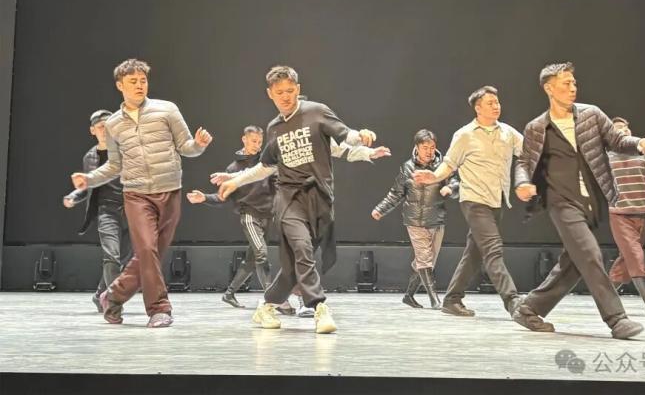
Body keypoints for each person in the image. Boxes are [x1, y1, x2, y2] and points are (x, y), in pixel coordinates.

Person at [218, 65, 378, 334]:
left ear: (298, 89)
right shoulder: (274, 128)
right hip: (288, 198)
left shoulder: (316, 111)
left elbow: (345, 135)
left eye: (290, 91)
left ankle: (266, 306)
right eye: (279, 92)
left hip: (319, 199)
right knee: (302, 248)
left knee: (295, 265)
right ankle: (319, 307)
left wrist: (361, 137)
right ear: (270, 94)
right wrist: (235, 181)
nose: (286, 96)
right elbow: (266, 167)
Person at [513, 62, 645, 339]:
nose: (573, 88)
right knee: (590, 254)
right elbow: (524, 161)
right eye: (566, 83)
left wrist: (638, 143)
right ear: (549, 88)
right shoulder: (537, 127)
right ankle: (617, 319)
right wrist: (522, 183)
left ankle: (529, 309)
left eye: (574, 83)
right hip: (560, 200)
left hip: (590, 202)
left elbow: (617, 141)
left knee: (574, 261)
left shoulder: (591, 114)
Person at [71, 59, 212, 328]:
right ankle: (159, 309)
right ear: (120, 85)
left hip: (169, 191)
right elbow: (114, 166)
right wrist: (89, 179)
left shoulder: (167, 109)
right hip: (136, 195)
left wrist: (199, 144)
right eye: (133, 81)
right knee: (147, 249)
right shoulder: (113, 124)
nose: (139, 85)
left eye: (143, 80)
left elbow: (186, 147)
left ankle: (113, 296)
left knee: (151, 253)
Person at [190, 125, 389, 312]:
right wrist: (231, 180)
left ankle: (265, 299)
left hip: (309, 206)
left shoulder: (314, 140)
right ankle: (300, 301)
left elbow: (342, 147)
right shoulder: (277, 149)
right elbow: (260, 170)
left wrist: (367, 150)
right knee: (289, 253)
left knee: (287, 258)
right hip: (283, 209)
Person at [414, 86, 523, 320]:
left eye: (497, 102)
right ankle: (513, 301)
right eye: (490, 103)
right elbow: (450, 164)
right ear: (478, 108)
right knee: (493, 248)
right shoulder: (465, 135)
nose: (496, 106)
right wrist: (433, 177)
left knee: (475, 252)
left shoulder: (508, 133)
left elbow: (529, 151)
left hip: (497, 200)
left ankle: (452, 299)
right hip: (474, 200)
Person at [372, 129, 459, 309]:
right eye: (425, 147)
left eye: (432, 147)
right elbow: (396, 193)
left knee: (427, 261)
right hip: (415, 220)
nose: (429, 151)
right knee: (424, 259)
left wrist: (451, 189)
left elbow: (457, 182)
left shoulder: (443, 166)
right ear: (417, 147)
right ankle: (435, 300)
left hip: (436, 220)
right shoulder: (407, 167)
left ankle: (408, 296)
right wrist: (381, 209)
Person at [63, 109, 130, 313]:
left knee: (124, 258)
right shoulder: (90, 157)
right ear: (93, 130)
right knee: (112, 256)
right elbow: (88, 186)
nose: (106, 130)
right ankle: (114, 303)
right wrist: (73, 196)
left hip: (130, 209)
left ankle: (100, 294)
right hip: (106, 211)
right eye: (101, 127)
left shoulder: (126, 151)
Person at [606, 116, 645, 316]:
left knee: (626, 260)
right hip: (620, 214)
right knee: (635, 256)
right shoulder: (606, 158)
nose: (624, 131)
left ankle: (604, 298)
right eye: (618, 128)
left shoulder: (644, 156)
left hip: (641, 214)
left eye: (626, 128)